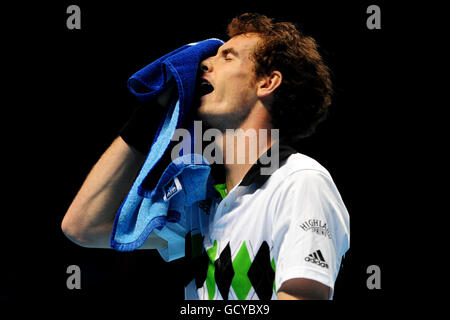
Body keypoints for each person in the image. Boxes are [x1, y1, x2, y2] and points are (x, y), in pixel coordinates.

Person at [61, 13, 350, 300]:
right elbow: (83, 227)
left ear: (267, 83)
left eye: (227, 56)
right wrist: (149, 117)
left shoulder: (299, 182)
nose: (204, 63)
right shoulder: (200, 204)